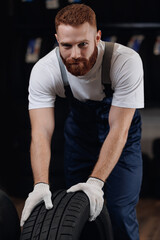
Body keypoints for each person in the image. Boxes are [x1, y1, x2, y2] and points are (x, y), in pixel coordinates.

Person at [20, 3, 144, 240]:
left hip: (122, 138)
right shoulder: (45, 70)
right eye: (66, 45)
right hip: (79, 136)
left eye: (83, 44)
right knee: (79, 211)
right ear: (57, 40)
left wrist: (96, 182)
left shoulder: (126, 62)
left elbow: (120, 128)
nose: (75, 54)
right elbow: (41, 132)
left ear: (97, 37)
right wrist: (40, 184)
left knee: (118, 212)